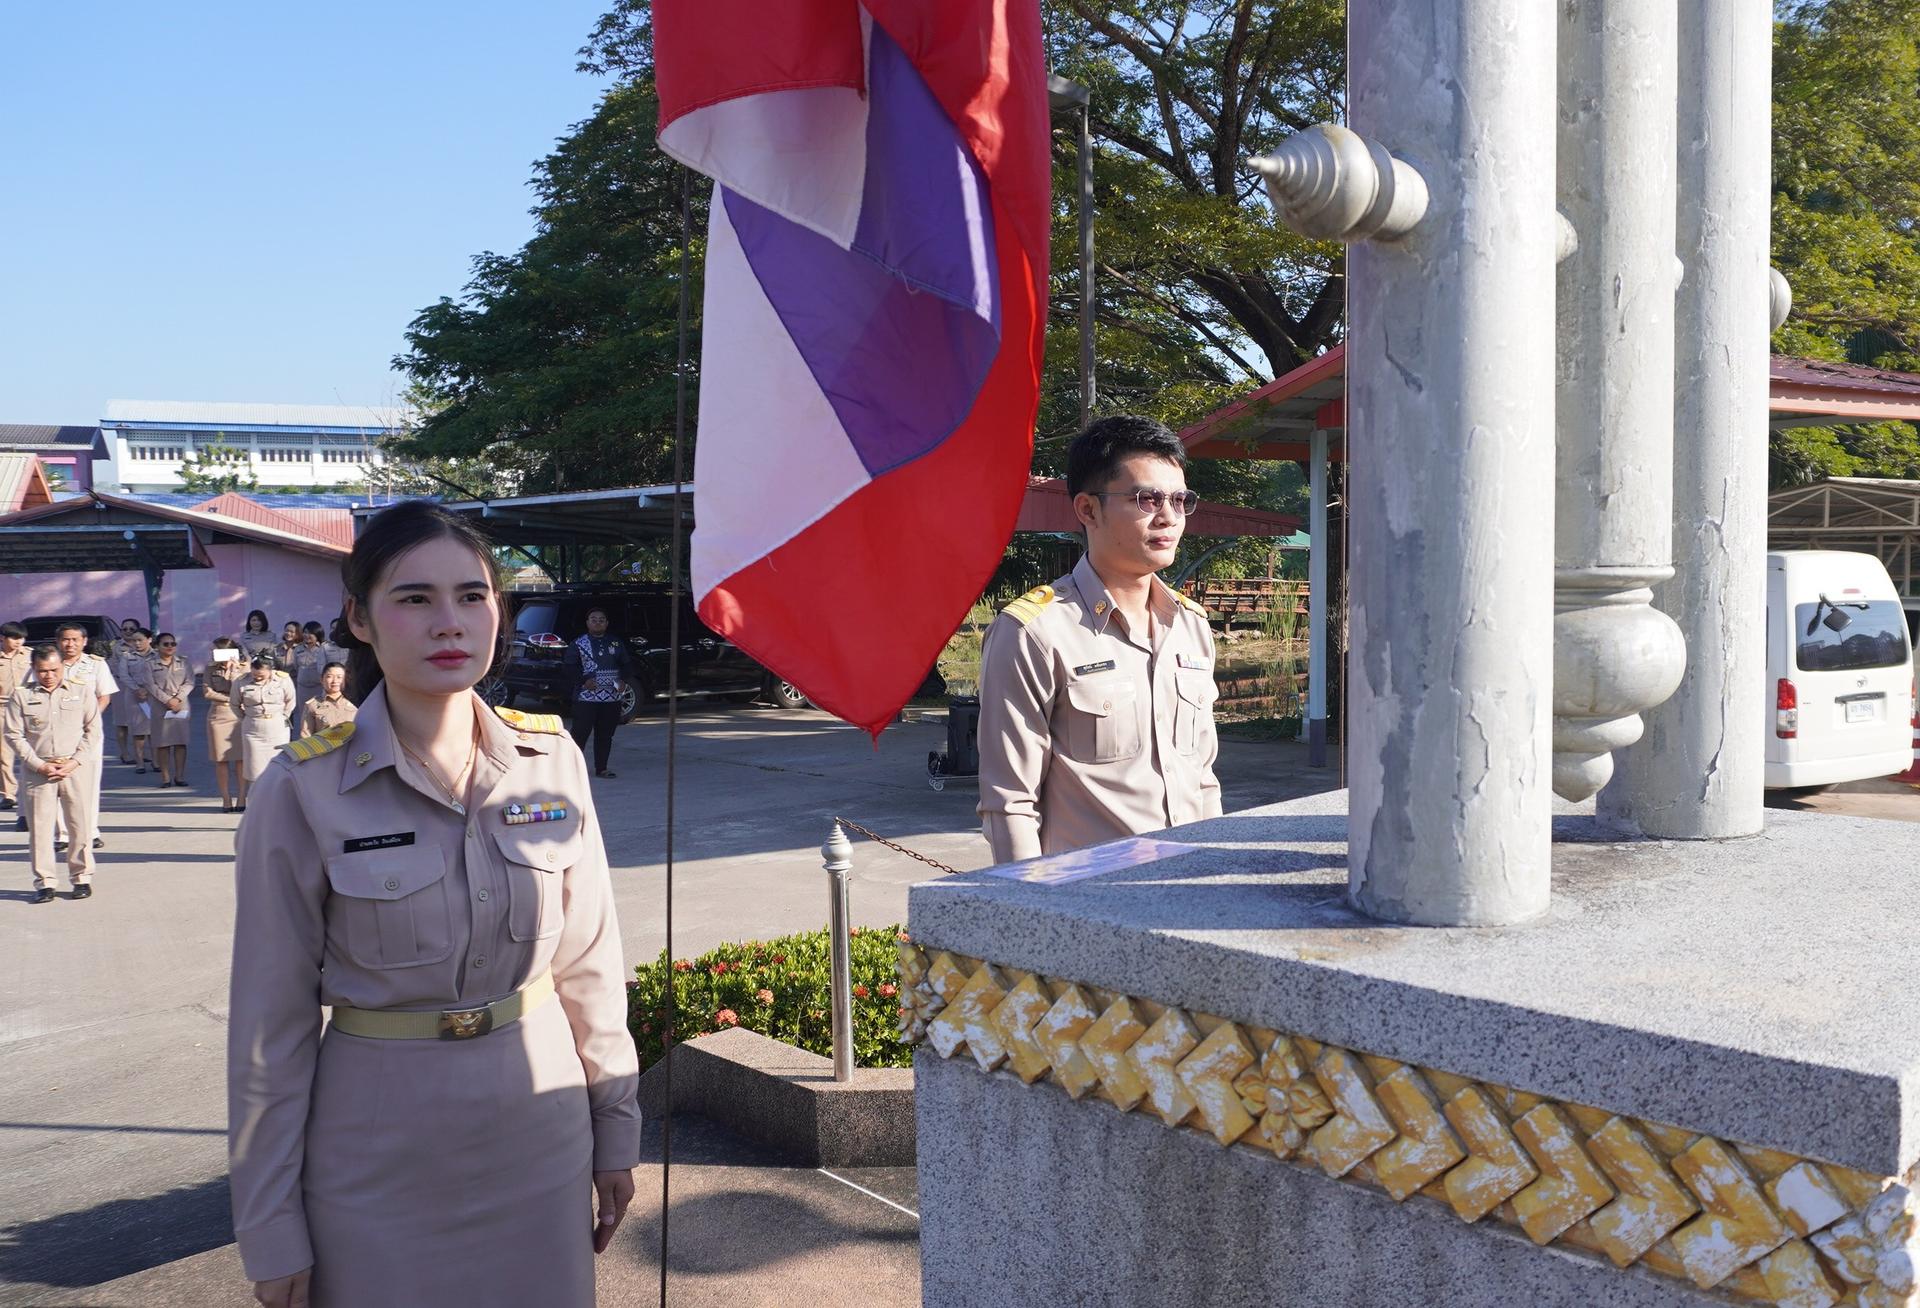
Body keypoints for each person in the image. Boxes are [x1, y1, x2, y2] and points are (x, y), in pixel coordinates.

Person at [227, 499, 639, 1308]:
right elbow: (269, 1031)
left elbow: (590, 965)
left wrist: (616, 1126)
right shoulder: (303, 789)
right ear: (360, 618)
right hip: (378, 1157)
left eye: (472, 596)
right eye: (414, 598)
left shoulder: (550, 760)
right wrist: (269, 1224)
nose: (449, 621)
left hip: (543, 1134)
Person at [976, 415, 1223, 863]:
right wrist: (1029, 899)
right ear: (1088, 510)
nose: (1169, 517)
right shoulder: (1034, 633)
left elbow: (1203, 779)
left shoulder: (1192, 628)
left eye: (1179, 500)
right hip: (1090, 894)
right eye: (1147, 499)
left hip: (1189, 882)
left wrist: (1216, 873)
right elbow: (1010, 802)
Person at [5, 645, 98, 903]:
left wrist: (75, 761)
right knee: (40, 829)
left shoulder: (81, 691)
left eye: (54, 670)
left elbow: (93, 731)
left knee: (79, 825)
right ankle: (45, 882)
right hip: (39, 770)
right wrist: (38, 764)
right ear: (34, 669)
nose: (49, 676)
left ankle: (81, 877)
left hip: (74, 768)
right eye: (42, 671)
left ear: (62, 667)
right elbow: (13, 734)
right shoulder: (22, 696)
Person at [54, 622, 117, 852]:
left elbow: (104, 697)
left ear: (84, 641)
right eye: (65, 639)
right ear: (58, 641)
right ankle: (62, 834)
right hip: (56, 733)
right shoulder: (49, 664)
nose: (70, 644)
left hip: (88, 733)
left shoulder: (96, 665)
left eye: (75, 639)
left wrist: (87, 722)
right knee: (57, 783)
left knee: (88, 784)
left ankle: (90, 832)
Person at [564, 609, 630, 779]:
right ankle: (571, 769)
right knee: (580, 733)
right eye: (593, 619)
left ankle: (602, 768)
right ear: (587, 623)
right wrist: (584, 681)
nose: (598, 622)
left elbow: (627, 664)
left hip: (611, 697)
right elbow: (569, 667)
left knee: (605, 734)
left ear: (607, 623)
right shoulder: (579, 643)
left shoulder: (615, 642)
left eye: (601, 620)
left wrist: (623, 680)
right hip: (586, 697)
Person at [231, 654, 294, 807]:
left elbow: (290, 701)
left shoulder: (283, 679)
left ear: (271, 670)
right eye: (255, 675)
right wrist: (248, 718)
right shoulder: (241, 681)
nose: (257, 678)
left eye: (261, 675)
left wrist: (282, 717)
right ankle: (256, 807)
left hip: (277, 729)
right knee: (255, 771)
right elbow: (234, 704)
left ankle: (279, 805)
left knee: (278, 768)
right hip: (253, 731)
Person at [146, 633, 193, 787]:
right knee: (163, 743)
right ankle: (165, 777)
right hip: (160, 706)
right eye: (165, 644)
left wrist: (177, 699)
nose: (170, 647)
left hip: (180, 705)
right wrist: (167, 700)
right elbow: (151, 685)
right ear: (157, 646)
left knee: (180, 742)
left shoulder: (183, 662)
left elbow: (190, 682)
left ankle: (179, 776)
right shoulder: (149, 664)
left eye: (173, 644)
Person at [204, 637, 245, 812]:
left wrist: (233, 671)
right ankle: (226, 798)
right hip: (218, 714)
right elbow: (207, 692)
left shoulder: (244, 667)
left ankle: (242, 797)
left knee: (241, 759)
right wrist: (229, 699)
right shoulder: (211, 668)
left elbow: (242, 690)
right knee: (220, 759)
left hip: (239, 715)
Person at [0, 623, 30, 813]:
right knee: (4, 755)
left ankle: (33, 789)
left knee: (35, 750)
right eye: (14, 638)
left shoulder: (31, 655)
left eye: (21, 638)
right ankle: (8, 794)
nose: (19, 641)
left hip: (30, 708)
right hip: (3, 709)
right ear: (2, 638)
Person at [122, 628, 157, 773]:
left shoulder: (157, 655)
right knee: (138, 730)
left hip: (154, 695)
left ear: (149, 640)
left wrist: (149, 689)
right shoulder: (127, 656)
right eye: (134, 640)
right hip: (134, 696)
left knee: (154, 729)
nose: (136, 643)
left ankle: (156, 761)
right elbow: (124, 675)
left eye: (140, 640)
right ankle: (140, 762)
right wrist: (137, 689)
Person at [108, 618, 143, 764]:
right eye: (124, 629)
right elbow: (114, 666)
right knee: (122, 722)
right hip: (121, 687)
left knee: (142, 722)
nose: (128, 631)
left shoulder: (142, 645)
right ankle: (125, 753)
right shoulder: (115, 647)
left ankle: (141, 753)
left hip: (141, 688)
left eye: (131, 629)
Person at [298, 662, 356, 737]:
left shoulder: (355, 702)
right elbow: (306, 735)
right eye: (329, 676)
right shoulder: (312, 705)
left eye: (339, 677)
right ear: (321, 679)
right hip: (324, 744)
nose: (335, 681)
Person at [292, 622, 328, 725]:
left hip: (319, 687)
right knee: (303, 716)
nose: (307, 635)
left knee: (319, 715)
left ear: (317, 634)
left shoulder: (323, 648)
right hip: (302, 688)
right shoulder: (298, 649)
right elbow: (296, 666)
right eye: (305, 632)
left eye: (310, 633)